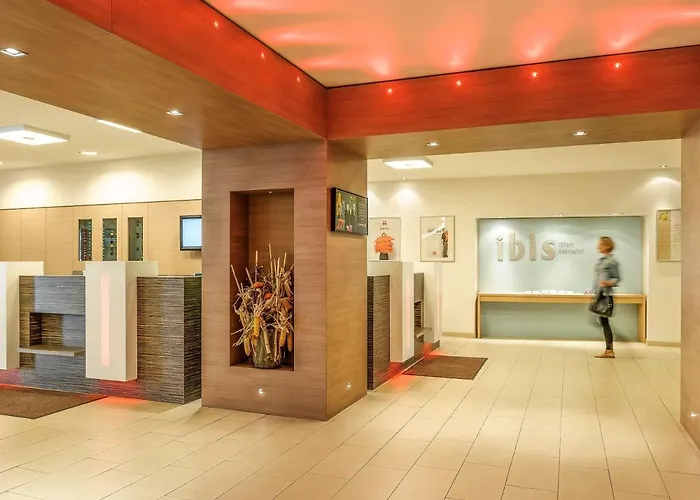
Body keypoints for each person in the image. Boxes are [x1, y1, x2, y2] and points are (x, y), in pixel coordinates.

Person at [593, 236, 621, 359]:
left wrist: (608, 283)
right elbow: (597, 279)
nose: (598, 246)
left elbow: (617, 278)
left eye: (600, 244)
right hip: (599, 295)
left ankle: (609, 350)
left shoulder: (612, 262)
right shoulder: (601, 261)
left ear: (606, 245)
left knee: (604, 322)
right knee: (602, 321)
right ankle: (609, 349)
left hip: (606, 296)